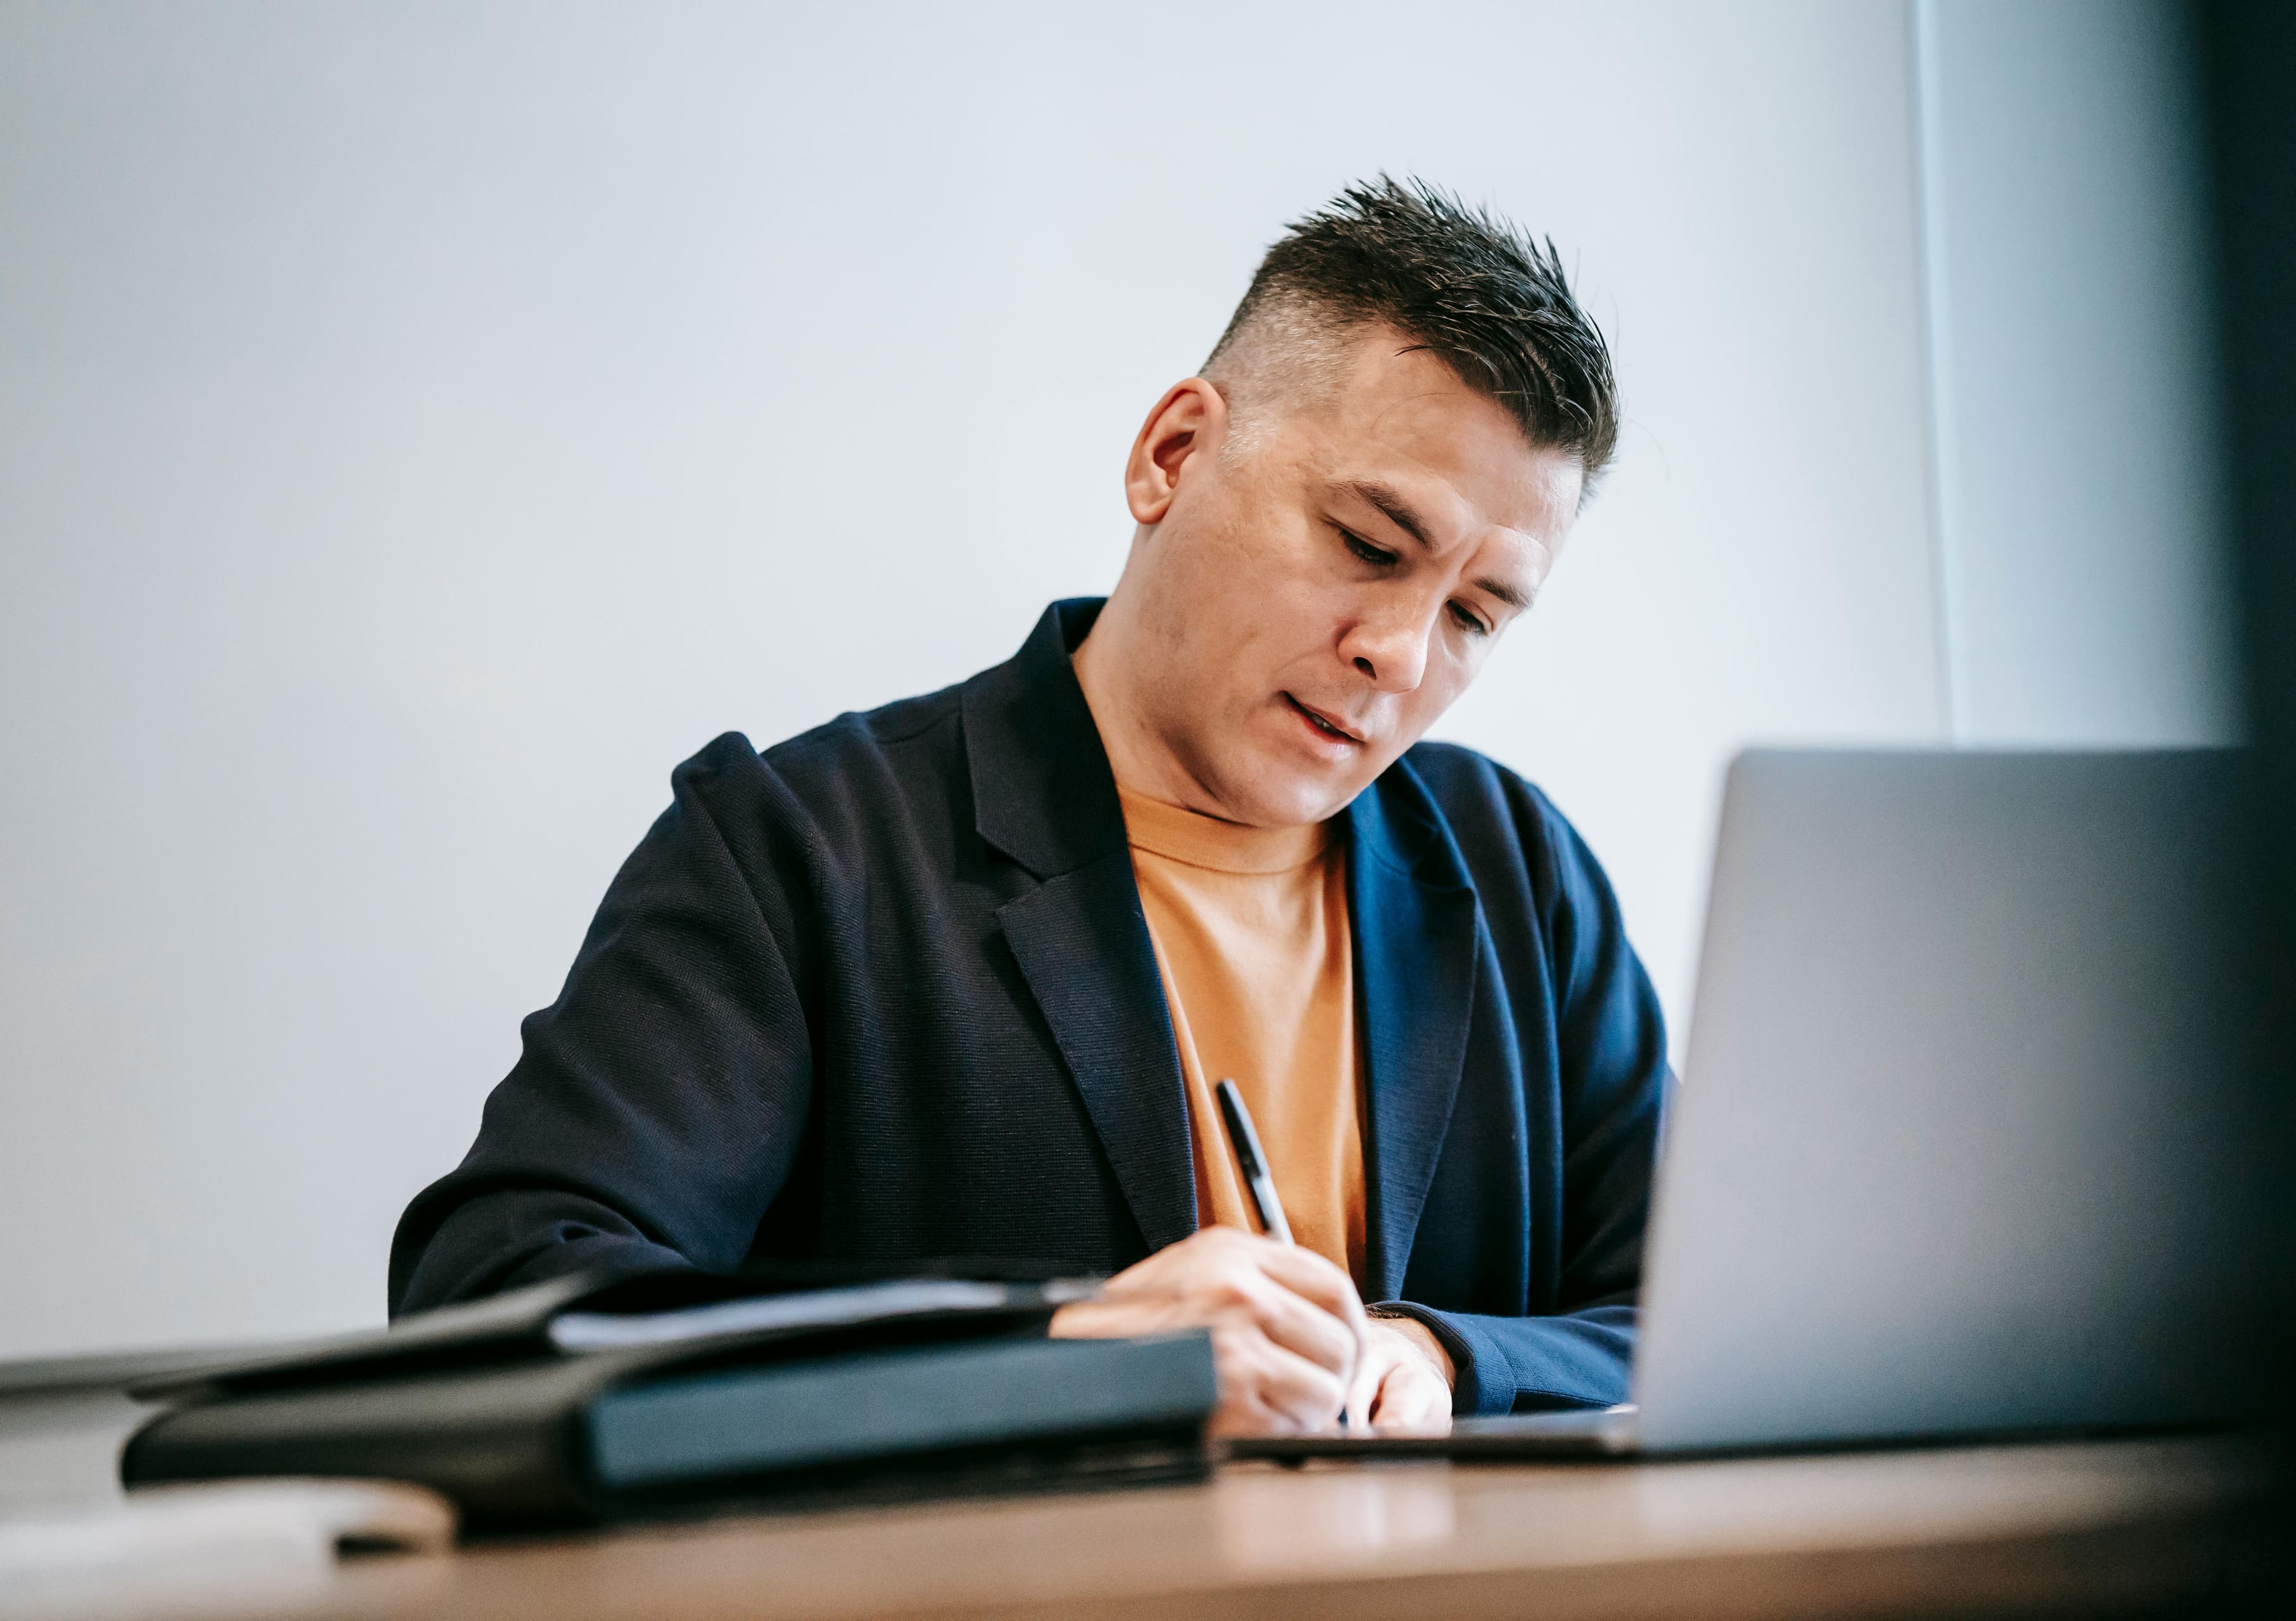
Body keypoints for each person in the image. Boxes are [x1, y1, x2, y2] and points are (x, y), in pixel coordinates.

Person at [390, 177, 1672, 1437]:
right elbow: (496, 1289)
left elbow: (1698, 1309)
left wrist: (1448, 1351)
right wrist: (1056, 1351)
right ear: (1173, 454)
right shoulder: (801, 848)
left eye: (1474, 614)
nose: (1400, 651)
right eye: (1370, 545)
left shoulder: (1524, 874)